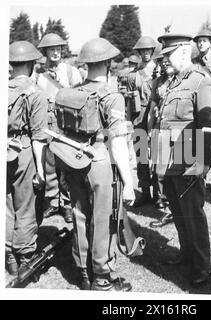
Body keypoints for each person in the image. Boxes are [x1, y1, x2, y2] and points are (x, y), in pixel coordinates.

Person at [50, 37, 135, 291]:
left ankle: (83, 272)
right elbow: (118, 144)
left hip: (74, 161)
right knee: (103, 219)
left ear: (86, 64)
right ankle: (102, 277)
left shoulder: (74, 91)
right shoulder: (112, 96)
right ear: (108, 63)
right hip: (100, 163)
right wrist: (129, 183)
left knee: (79, 214)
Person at [152, 33, 211, 286]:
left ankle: (201, 266)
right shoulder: (173, 83)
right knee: (178, 212)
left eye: (168, 55)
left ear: (181, 52)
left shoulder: (201, 81)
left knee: (193, 214)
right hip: (169, 159)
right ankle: (187, 254)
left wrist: (204, 162)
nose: (165, 60)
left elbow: (208, 125)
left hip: (190, 158)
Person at [6, 41, 48, 276]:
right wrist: (41, 172)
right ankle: (25, 256)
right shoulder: (36, 94)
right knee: (26, 206)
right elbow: (39, 139)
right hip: (24, 152)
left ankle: (8, 255)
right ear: (32, 64)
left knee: (7, 205)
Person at [35, 33, 82, 223]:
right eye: (51, 49)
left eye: (58, 49)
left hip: (67, 122)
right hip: (46, 121)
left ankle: (67, 204)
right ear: (45, 51)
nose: (56, 53)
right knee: (49, 163)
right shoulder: (38, 74)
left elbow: (80, 96)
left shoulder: (71, 71)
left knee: (66, 163)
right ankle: (53, 202)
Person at [126, 36, 163, 209]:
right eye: (143, 51)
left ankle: (158, 194)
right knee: (141, 156)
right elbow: (129, 101)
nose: (146, 54)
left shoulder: (161, 70)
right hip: (139, 117)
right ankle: (145, 192)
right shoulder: (133, 75)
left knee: (157, 154)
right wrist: (128, 121)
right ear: (139, 53)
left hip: (156, 116)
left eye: (149, 50)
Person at [148, 55, 175, 228]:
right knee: (158, 169)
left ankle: (175, 210)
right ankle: (165, 203)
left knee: (177, 173)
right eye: (162, 60)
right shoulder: (158, 82)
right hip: (160, 129)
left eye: (168, 58)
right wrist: (150, 130)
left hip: (181, 132)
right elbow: (152, 107)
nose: (165, 62)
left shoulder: (185, 79)